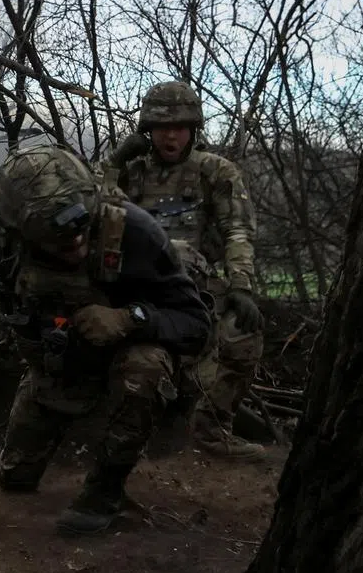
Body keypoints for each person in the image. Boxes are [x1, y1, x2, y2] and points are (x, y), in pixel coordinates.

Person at [0, 145, 211, 535]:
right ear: (21, 231)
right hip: (58, 364)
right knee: (15, 480)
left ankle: (103, 492)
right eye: (58, 240)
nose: (75, 244)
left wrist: (129, 318)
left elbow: (195, 323)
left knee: (145, 369)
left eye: (81, 232)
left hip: (127, 354)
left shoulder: (134, 231)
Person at [105, 80, 266, 460]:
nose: (170, 136)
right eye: (161, 127)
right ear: (149, 131)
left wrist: (241, 284)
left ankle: (211, 431)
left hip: (198, 289)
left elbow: (238, 230)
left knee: (243, 335)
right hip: (140, 287)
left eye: (178, 127)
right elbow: (91, 208)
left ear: (193, 128)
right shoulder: (133, 172)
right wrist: (113, 163)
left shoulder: (215, 172)